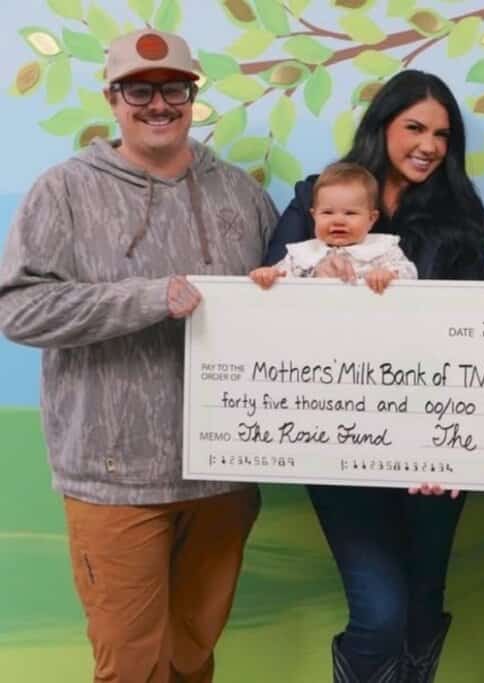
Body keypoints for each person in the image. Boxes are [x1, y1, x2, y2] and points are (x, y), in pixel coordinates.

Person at [0, 28, 278, 682]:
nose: (158, 105)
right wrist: (148, 297)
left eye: (173, 89)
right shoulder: (63, 190)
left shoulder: (241, 194)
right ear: (112, 98)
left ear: (192, 96)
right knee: (131, 666)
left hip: (223, 477)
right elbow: (18, 309)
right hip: (113, 479)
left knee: (193, 658)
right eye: (138, 91)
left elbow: (288, 306)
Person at [264, 69, 484, 683]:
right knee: (380, 612)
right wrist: (315, 287)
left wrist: (455, 449)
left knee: (421, 609)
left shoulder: (461, 218)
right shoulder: (315, 200)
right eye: (415, 127)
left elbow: (471, 334)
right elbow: (266, 302)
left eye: (442, 135)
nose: (429, 145)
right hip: (339, 439)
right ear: (382, 125)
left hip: (432, 446)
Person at [250, 162, 416, 292]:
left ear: (371, 219)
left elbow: (410, 273)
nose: (338, 221)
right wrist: (268, 275)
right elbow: (280, 278)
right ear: (314, 215)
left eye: (350, 213)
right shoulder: (301, 254)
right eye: (327, 212)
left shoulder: (383, 249)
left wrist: (389, 275)